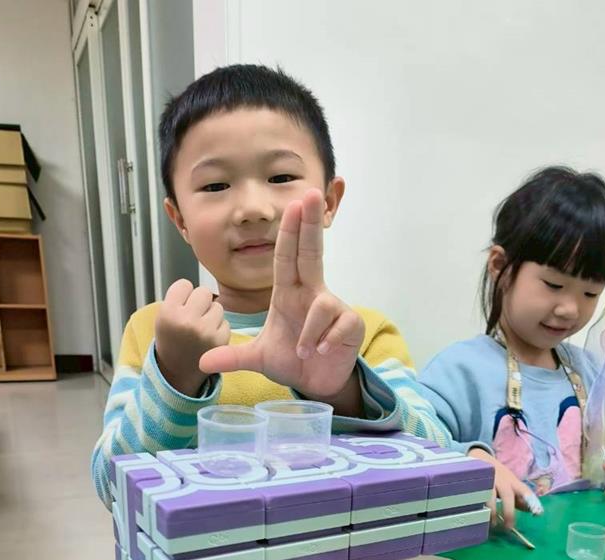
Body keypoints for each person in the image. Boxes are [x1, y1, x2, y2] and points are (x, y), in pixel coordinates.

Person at [91, 63, 447, 506]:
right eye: (215, 185)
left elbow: (439, 457)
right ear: (180, 219)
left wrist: (343, 391)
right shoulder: (157, 334)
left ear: (329, 201)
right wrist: (175, 376)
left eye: (280, 177)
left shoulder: (360, 334)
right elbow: (111, 488)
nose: (253, 209)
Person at [418, 164, 605, 526]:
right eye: (553, 285)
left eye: (590, 293)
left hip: (579, 554)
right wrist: (469, 458)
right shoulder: (459, 371)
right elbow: (411, 445)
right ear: (500, 266)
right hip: (493, 552)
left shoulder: (591, 372)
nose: (570, 309)